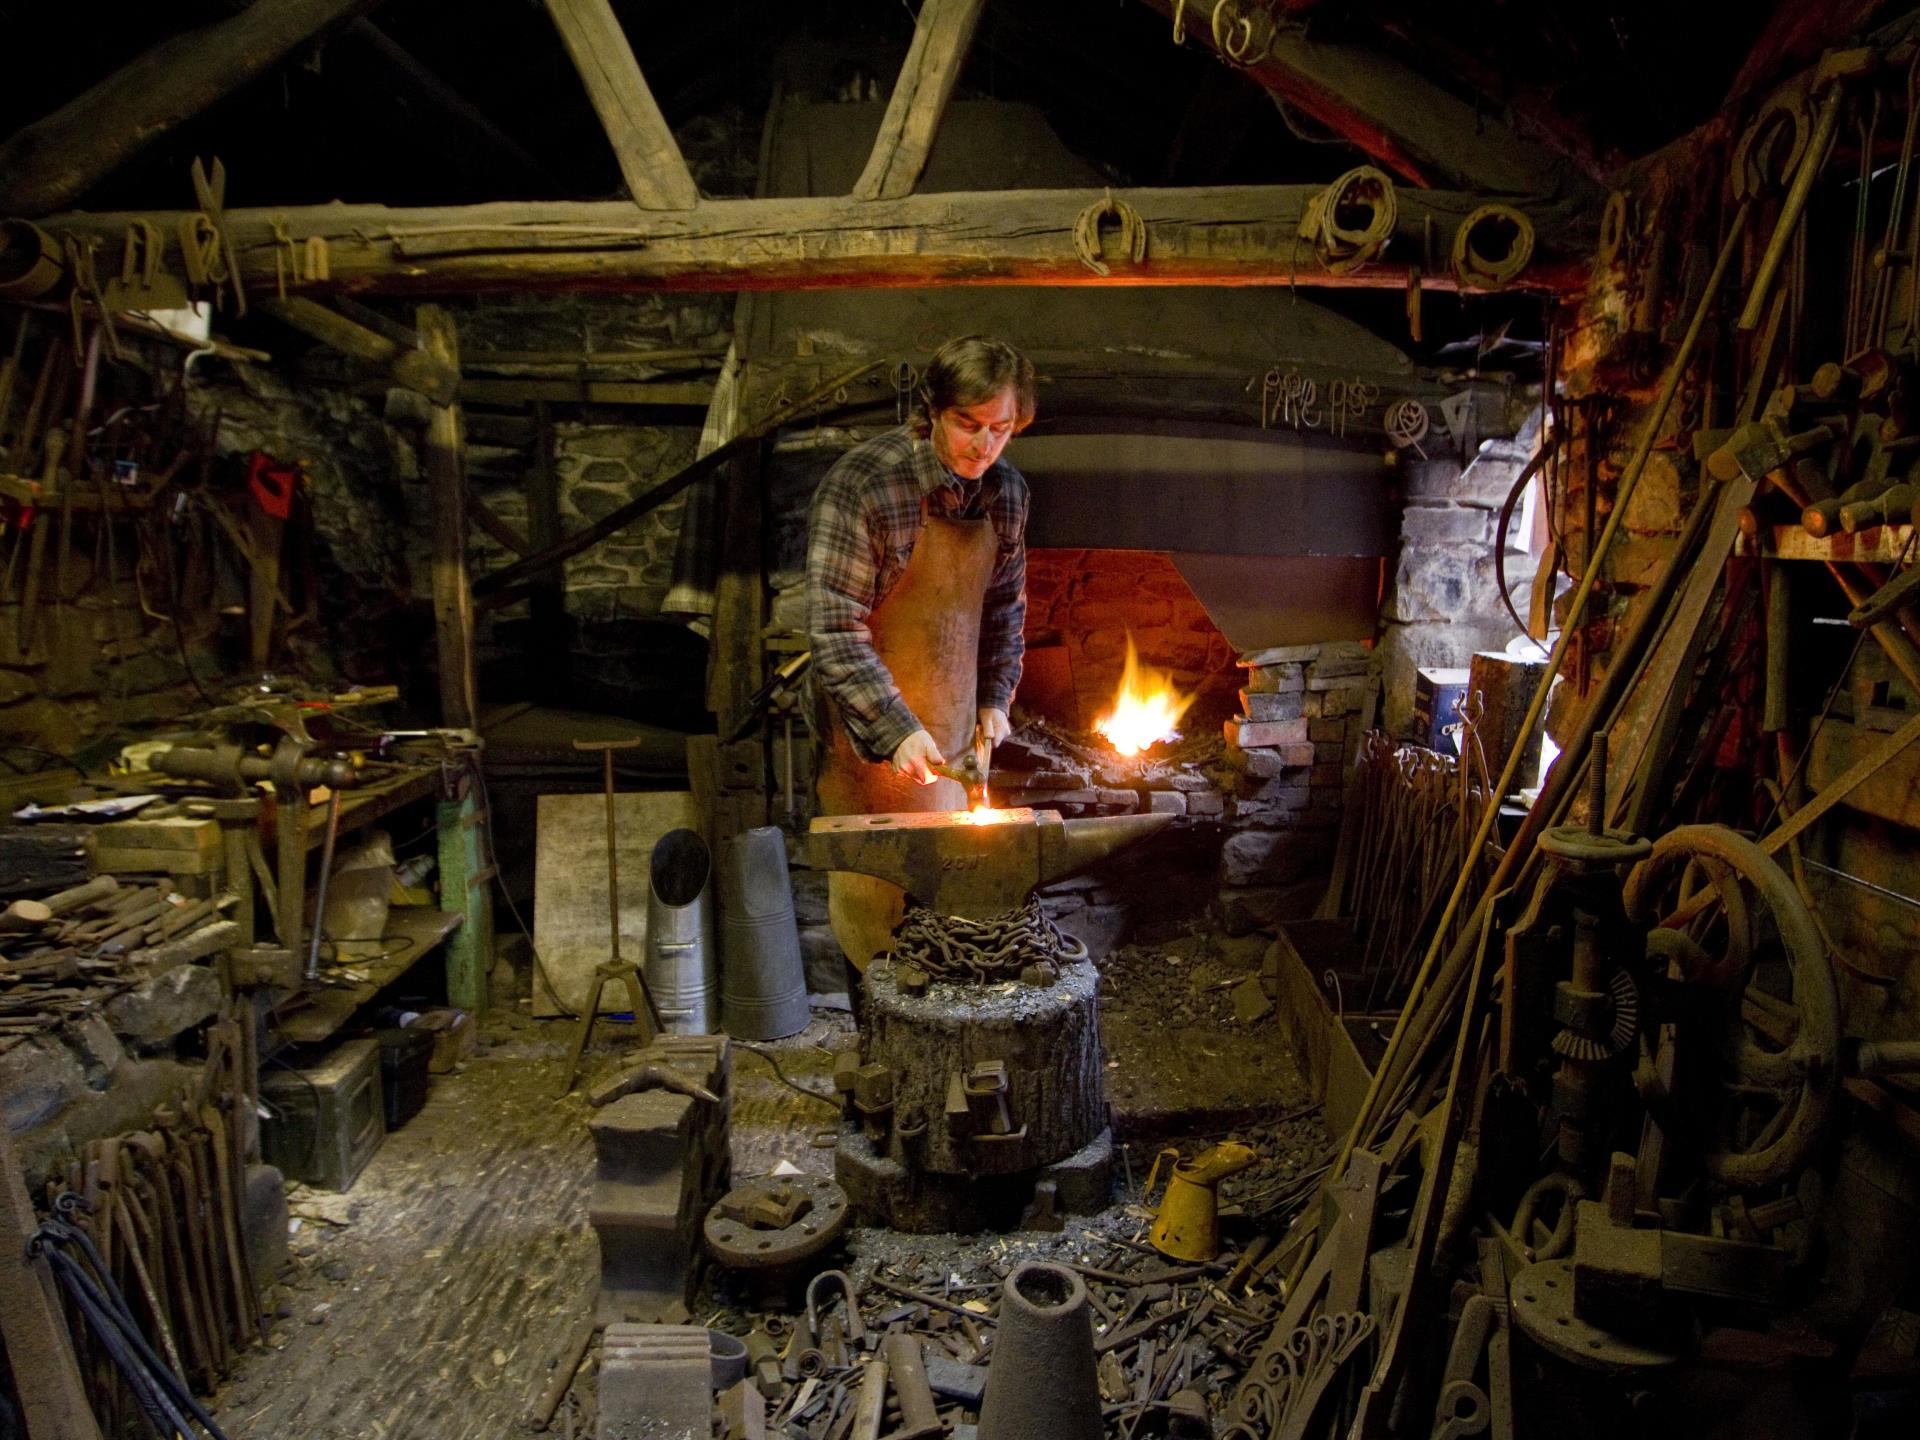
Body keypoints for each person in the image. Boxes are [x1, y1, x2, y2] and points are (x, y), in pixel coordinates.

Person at [806, 334, 1035, 968]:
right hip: (867, 741)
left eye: (1000, 429)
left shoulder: (1007, 493)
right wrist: (895, 730)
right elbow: (833, 628)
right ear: (932, 409)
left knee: (950, 912)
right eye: (966, 424)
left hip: (955, 733)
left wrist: (995, 698)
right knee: (878, 920)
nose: (981, 446)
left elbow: (1004, 610)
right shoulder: (865, 485)